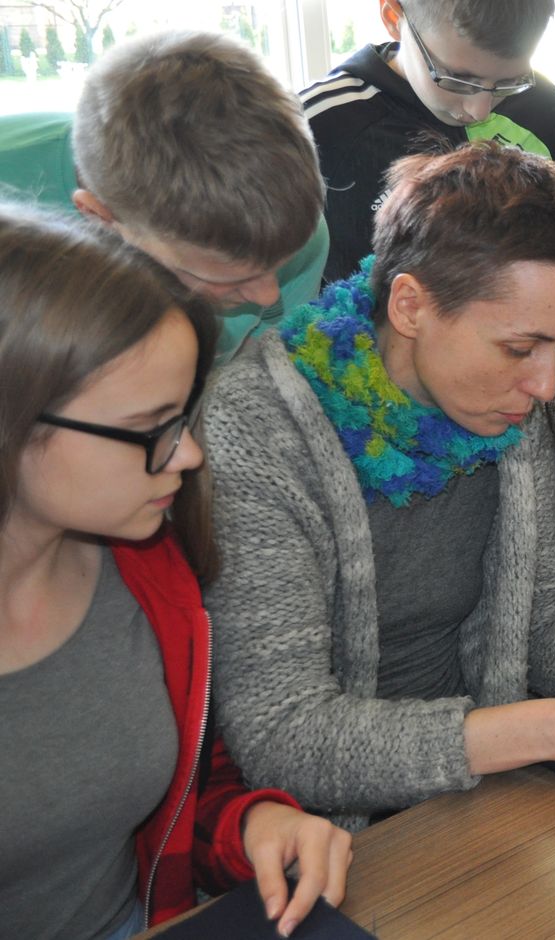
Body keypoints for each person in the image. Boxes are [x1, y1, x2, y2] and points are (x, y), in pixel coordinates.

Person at [201, 143, 555, 833]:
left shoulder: (505, 409)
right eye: (520, 348)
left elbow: (548, 615)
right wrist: (540, 731)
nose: (547, 386)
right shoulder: (258, 427)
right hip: (328, 845)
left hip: (476, 810)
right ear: (410, 306)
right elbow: (283, 733)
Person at [0, 206, 351, 940]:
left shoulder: (145, 567)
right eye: (150, 429)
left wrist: (253, 824)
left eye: (184, 418)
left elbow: (177, 785)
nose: (188, 455)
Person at [0, 32, 327, 365]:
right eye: (230, 280)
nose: (269, 296)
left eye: (278, 268)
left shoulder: (292, 232)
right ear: (98, 219)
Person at [301, 0, 555, 284]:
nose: (479, 110)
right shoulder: (317, 127)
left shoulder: (542, 105)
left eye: (508, 82)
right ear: (393, 18)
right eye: (457, 79)